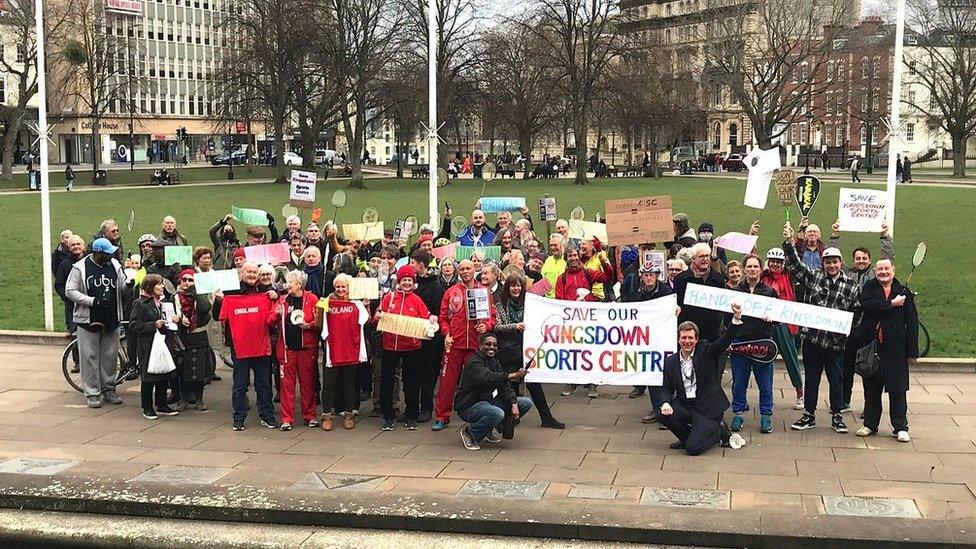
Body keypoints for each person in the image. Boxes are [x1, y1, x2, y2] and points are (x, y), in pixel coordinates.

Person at [783, 224, 860, 433]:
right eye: (828, 262)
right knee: (812, 378)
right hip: (813, 340)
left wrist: (848, 330)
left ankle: (836, 416)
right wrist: (789, 243)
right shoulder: (814, 277)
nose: (831, 265)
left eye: (835, 262)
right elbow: (795, 266)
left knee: (836, 379)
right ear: (822, 263)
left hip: (835, 343)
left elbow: (856, 313)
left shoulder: (852, 286)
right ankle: (809, 414)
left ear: (840, 263)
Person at [658, 304, 745, 455]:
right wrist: (665, 402)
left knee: (693, 449)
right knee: (662, 413)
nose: (687, 341)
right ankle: (687, 438)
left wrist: (736, 319)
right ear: (678, 339)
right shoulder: (670, 361)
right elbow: (666, 387)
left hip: (707, 408)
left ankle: (717, 432)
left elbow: (723, 342)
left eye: (690, 338)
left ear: (696, 339)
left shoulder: (705, 350)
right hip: (686, 405)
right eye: (683, 338)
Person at [827, 222, 895, 412]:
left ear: (870, 260)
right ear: (853, 260)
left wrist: (884, 237)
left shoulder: (875, 275)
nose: (861, 261)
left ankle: (869, 407)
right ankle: (844, 401)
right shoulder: (847, 273)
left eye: (864, 258)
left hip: (868, 327)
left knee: (868, 368)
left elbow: (888, 259)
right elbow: (832, 255)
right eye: (858, 258)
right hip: (848, 327)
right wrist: (835, 236)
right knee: (845, 367)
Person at [854, 259, 918, 442]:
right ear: (875, 271)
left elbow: (912, 322)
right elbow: (867, 304)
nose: (883, 272)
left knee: (898, 390)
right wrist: (891, 304)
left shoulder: (904, 292)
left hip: (896, 349)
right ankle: (870, 424)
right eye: (880, 269)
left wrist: (912, 352)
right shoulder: (869, 288)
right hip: (872, 347)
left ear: (893, 270)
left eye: (886, 269)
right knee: (872, 389)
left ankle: (900, 427)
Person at [214, 261, 279, 431]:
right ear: (241, 273)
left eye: (254, 272)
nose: (251, 275)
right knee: (240, 384)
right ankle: (239, 417)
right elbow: (217, 316)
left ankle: (267, 415)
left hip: (261, 345)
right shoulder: (231, 292)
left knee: (264, 383)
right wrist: (219, 301)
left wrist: (276, 297)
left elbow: (276, 315)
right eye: (248, 272)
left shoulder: (266, 293)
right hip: (240, 346)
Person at [433, 259, 496, 431]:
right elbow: (443, 318)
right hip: (454, 345)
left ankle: (478, 413)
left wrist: (487, 326)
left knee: (478, 382)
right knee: (447, 382)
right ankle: (442, 416)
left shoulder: (483, 292)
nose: (465, 271)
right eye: (462, 269)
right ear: (458, 271)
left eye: (468, 268)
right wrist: (446, 333)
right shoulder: (451, 292)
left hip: (476, 346)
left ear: (474, 269)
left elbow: (492, 316)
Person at [495, 274, 564, 429]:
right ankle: (509, 419)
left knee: (534, 385)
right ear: (508, 287)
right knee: (510, 387)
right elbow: (497, 327)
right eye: (513, 285)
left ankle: (546, 417)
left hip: (527, 350)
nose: (516, 288)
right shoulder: (500, 305)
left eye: (519, 285)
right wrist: (515, 326)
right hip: (508, 352)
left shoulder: (530, 304)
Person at [65, 237, 127, 408]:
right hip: (88, 318)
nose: (110, 255)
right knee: (89, 356)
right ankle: (92, 392)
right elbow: (70, 290)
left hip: (111, 316)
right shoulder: (80, 268)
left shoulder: (114, 265)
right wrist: (92, 301)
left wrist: (128, 284)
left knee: (110, 356)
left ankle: (109, 388)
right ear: (98, 252)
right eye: (107, 253)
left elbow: (120, 286)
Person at [373, 265, 436, 431]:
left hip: (412, 347)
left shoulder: (417, 300)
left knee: (412, 382)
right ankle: (388, 416)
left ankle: (411, 415)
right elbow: (376, 320)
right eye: (404, 280)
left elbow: (426, 320)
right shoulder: (389, 298)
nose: (406, 283)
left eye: (409, 280)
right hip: (390, 346)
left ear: (413, 282)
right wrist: (377, 315)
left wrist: (431, 321)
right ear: (399, 282)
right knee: (387, 381)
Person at [455, 333, 533, 451]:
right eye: (488, 344)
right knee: (497, 413)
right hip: (469, 405)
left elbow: (505, 387)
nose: (492, 347)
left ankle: (491, 427)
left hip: (488, 401)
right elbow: (488, 377)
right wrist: (513, 375)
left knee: (525, 402)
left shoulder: (495, 362)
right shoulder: (473, 362)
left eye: (494, 345)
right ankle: (470, 433)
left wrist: (514, 404)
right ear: (480, 346)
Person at [729, 255, 779, 434]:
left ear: (760, 270)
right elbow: (727, 319)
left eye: (755, 267)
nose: (752, 269)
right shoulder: (735, 292)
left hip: (763, 342)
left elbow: (779, 317)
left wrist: (772, 319)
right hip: (740, 342)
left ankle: (766, 416)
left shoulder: (770, 291)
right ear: (744, 269)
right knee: (739, 382)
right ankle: (738, 413)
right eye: (748, 266)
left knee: (765, 383)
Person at [621, 264, 675, 418]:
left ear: (657, 275)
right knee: (651, 372)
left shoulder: (666, 292)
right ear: (641, 277)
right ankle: (657, 408)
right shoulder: (638, 292)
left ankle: (668, 407)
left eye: (652, 274)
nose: (649, 278)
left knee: (666, 374)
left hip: (662, 338)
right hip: (645, 339)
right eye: (646, 275)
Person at [320, 273, 370, 431]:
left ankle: (349, 415)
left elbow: (366, 320)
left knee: (350, 384)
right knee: (328, 384)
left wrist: (367, 305)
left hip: (351, 349)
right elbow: (318, 324)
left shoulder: (356, 304)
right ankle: (326, 415)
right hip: (333, 350)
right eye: (338, 287)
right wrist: (321, 310)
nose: (340, 289)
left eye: (344, 286)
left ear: (349, 288)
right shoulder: (327, 302)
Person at [128, 274, 182, 419]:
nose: (162, 287)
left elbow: (171, 320)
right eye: (159, 284)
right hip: (148, 345)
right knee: (149, 376)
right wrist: (152, 325)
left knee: (164, 373)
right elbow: (133, 325)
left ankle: (162, 403)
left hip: (164, 342)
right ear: (149, 287)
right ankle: (147, 407)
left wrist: (176, 320)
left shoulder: (165, 303)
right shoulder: (140, 303)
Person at [274, 270, 320, 430]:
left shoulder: (312, 298)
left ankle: (310, 415)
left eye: (290, 283)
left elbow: (319, 320)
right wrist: (276, 315)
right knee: (287, 385)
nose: (287, 285)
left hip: (307, 348)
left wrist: (310, 325)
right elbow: (270, 320)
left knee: (308, 383)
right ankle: (287, 418)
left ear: (299, 284)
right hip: (287, 350)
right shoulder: (282, 300)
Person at [761, 247, 804, 410]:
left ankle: (800, 392)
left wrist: (792, 242)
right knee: (764, 357)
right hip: (765, 322)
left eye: (778, 262)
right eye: (772, 261)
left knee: (790, 356)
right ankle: (766, 395)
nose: (775, 265)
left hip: (784, 322)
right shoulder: (762, 276)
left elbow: (797, 263)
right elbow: (750, 264)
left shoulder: (789, 276)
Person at [173, 268, 214, 410]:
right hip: (182, 338)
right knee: (183, 369)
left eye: (191, 280)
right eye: (184, 279)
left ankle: (199, 399)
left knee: (200, 370)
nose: (187, 283)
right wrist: (179, 320)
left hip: (199, 337)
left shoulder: (200, 296)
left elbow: (205, 308)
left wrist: (195, 291)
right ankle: (183, 398)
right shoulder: (175, 297)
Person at [673, 243, 727, 342]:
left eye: (707, 256)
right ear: (693, 258)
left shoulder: (718, 279)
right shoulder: (681, 279)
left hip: (711, 333)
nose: (705, 259)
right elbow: (677, 303)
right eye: (701, 256)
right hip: (688, 333)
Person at [55, 235, 86, 337]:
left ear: (83, 246)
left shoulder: (89, 261)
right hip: (72, 306)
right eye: (73, 245)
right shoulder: (64, 265)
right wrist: (68, 297)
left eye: (78, 244)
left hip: (89, 306)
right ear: (69, 247)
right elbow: (59, 284)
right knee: (74, 337)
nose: (76, 246)